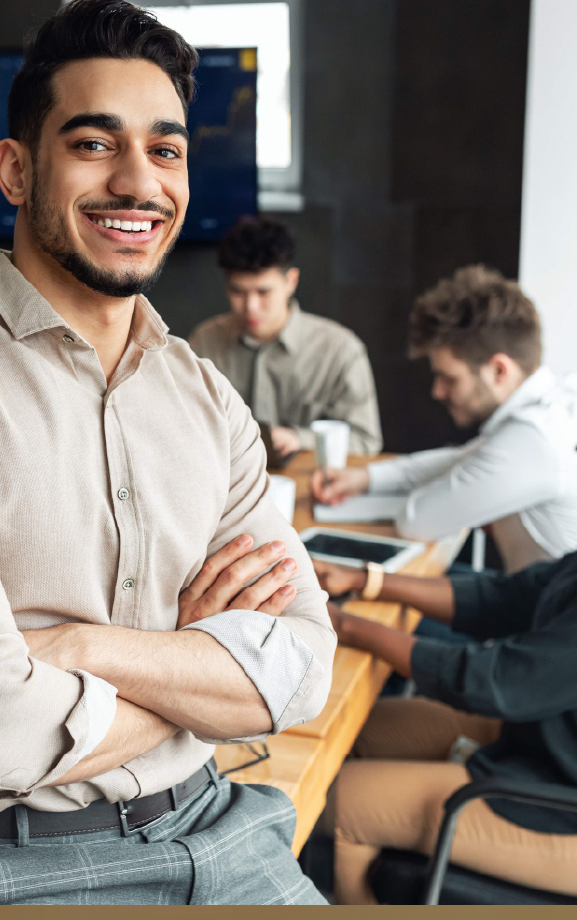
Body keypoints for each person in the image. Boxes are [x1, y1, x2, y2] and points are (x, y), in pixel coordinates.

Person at [0, 0, 335, 906]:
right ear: (16, 169)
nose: (139, 182)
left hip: (227, 826)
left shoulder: (207, 398)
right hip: (23, 865)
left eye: (164, 150)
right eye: (95, 144)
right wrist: (193, 659)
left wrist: (81, 647)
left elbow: (300, 672)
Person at [313, 556, 577, 904]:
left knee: (334, 798)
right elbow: (503, 598)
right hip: (540, 738)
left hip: (559, 801)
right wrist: (364, 580)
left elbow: (492, 681)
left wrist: (344, 626)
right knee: (350, 727)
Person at [312, 265, 577, 574]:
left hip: (545, 618)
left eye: (449, 379)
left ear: (499, 371)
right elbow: (465, 459)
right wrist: (366, 478)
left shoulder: (534, 439)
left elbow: (417, 522)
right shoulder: (548, 409)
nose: (437, 391)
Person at [188, 215, 382, 463]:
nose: (251, 307)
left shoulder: (340, 350)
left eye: (263, 291)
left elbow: (365, 440)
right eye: (238, 291)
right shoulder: (205, 341)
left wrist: (300, 438)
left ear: (291, 281)